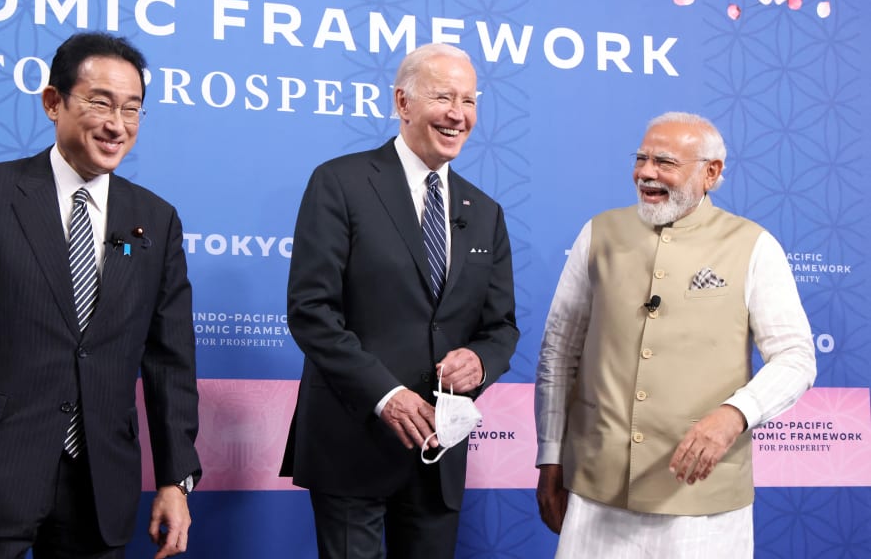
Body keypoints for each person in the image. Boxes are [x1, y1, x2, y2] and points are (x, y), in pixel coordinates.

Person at [0, 32, 201, 558]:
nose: (116, 124)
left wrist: (175, 480)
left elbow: (170, 362)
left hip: (100, 484)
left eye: (132, 109)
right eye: (100, 102)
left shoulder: (155, 220)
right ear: (53, 102)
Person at [534, 112, 817, 557]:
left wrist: (735, 414)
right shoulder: (598, 234)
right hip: (595, 494)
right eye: (642, 158)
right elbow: (558, 354)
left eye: (664, 162)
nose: (646, 172)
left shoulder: (754, 246)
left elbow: (796, 357)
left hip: (703, 504)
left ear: (711, 172)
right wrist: (550, 457)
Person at [280, 43, 520, 559]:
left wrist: (480, 360)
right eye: (443, 97)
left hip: (439, 451)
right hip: (352, 440)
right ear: (403, 103)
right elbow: (311, 311)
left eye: (470, 100)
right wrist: (386, 395)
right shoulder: (340, 183)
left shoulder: (486, 212)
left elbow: (501, 328)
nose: (459, 114)